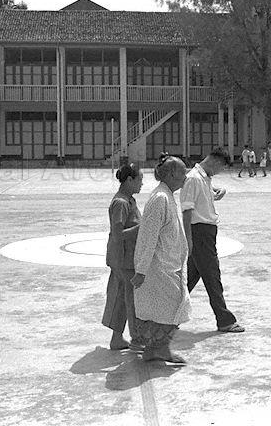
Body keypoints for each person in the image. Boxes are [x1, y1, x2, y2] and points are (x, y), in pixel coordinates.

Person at [131, 153, 191, 364]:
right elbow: (148, 236)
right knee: (172, 308)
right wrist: (141, 270)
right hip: (158, 268)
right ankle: (157, 349)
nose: (186, 175)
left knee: (168, 309)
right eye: (183, 171)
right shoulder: (160, 199)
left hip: (169, 266)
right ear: (172, 174)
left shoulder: (167, 195)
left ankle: (156, 349)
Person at [181, 147, 244, 333]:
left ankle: (167, 317)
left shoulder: (204, 178)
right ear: (215, 162)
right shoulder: (193, 178)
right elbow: (186, 211)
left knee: (190, 279)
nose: (220, 172)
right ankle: (224, 319)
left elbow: (202, 198)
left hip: (205, 232)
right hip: (199, 233)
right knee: (212, 276)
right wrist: (188, 239)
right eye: (221, 168)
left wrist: (216, 192)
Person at [102, 163, 144, 351]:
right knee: (130, 298)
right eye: (140, 180)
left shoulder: (128, 199)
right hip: (123, 259)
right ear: (129, 180)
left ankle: (117, 338)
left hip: (125, 257)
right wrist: (142, 228)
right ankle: (136, 338)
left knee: (121, 297)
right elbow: (118, 234)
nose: (141, 184)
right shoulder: (121, 202)